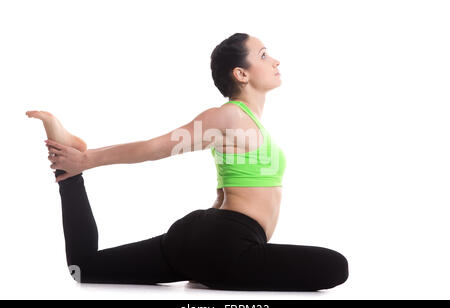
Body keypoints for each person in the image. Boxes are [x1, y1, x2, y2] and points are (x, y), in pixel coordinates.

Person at [25, 33, 349, 291]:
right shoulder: (228, 115)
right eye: (263, 55)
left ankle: (69, 177)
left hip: (213, 239)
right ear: (241, 73)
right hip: (224, 243)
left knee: (85, 267)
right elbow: (157, 147)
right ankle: (215, 271)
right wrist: (89, 159)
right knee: (336, 267)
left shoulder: (246, 120)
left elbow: (227, 193)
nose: (275, 60)